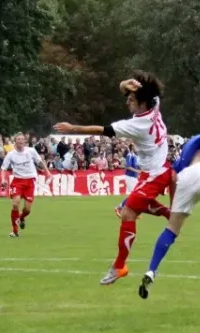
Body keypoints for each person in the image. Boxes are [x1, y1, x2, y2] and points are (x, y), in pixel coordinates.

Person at [53, 70, 174, 286]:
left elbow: (103, 129)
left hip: (155, 174)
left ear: (142, 102)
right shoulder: (154, 104)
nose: (127, 101)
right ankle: (168, 213)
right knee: (134, 205)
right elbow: (128, 90)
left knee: (127, 211)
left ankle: (120, 266)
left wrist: (74, 128)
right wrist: (125, 84)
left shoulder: (136, 125)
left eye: (131, 99)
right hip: (157, 169)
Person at [138, 130, 200, 299]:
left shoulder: (194, 142)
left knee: (172, 228)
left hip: (185, 177)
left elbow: (174, 173)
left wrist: (169, 200)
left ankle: (151, 270)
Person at [0, 133, 52, 237]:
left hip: (29, 181)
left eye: (22, 139)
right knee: (15, 204)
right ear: (15, 141)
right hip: (17, 181)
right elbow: (3, 168)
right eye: (18, 139)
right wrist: (3, 180)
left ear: (24, 141)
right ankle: (15, 231)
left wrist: (47, 172)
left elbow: (40, 161)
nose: (20, 141)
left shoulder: (31, 151)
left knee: (27, 210)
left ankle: (22, 217)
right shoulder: (11, 154)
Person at [115, 144, 140, 218]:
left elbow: (137, 166)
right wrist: (137, 171)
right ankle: (119, 207)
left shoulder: (135, 156)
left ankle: (132, 211)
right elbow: (128, 167)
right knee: (134, 194)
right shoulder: (129, 155)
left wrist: (138, 173)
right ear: (132, 147)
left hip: (134, 177)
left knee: (136, 194)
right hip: (129, 177)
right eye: (136, 146)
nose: (137, 148)